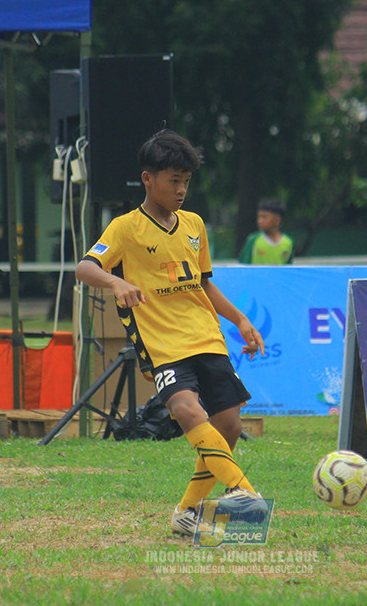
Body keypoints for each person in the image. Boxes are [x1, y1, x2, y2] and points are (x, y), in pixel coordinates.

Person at [75, 130, 267, 538]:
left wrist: (241, 321)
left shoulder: (194, 224)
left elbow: (205, 284)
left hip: (206, 337)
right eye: (173, 181)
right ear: (149, 179)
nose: (181, 190)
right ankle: (244, 494)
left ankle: (187, 511)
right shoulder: (126, 228)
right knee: (185, 409)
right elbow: (85, 267)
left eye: (186, 181)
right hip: (162, 344)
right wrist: (116, 283)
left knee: (229, 427)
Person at [238, 198, 294, 264]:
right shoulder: (253, 240)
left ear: (277, 220)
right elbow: (243, 266)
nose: (259, 221)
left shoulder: (288, 242)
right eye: (259, 217)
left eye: (264, 217)